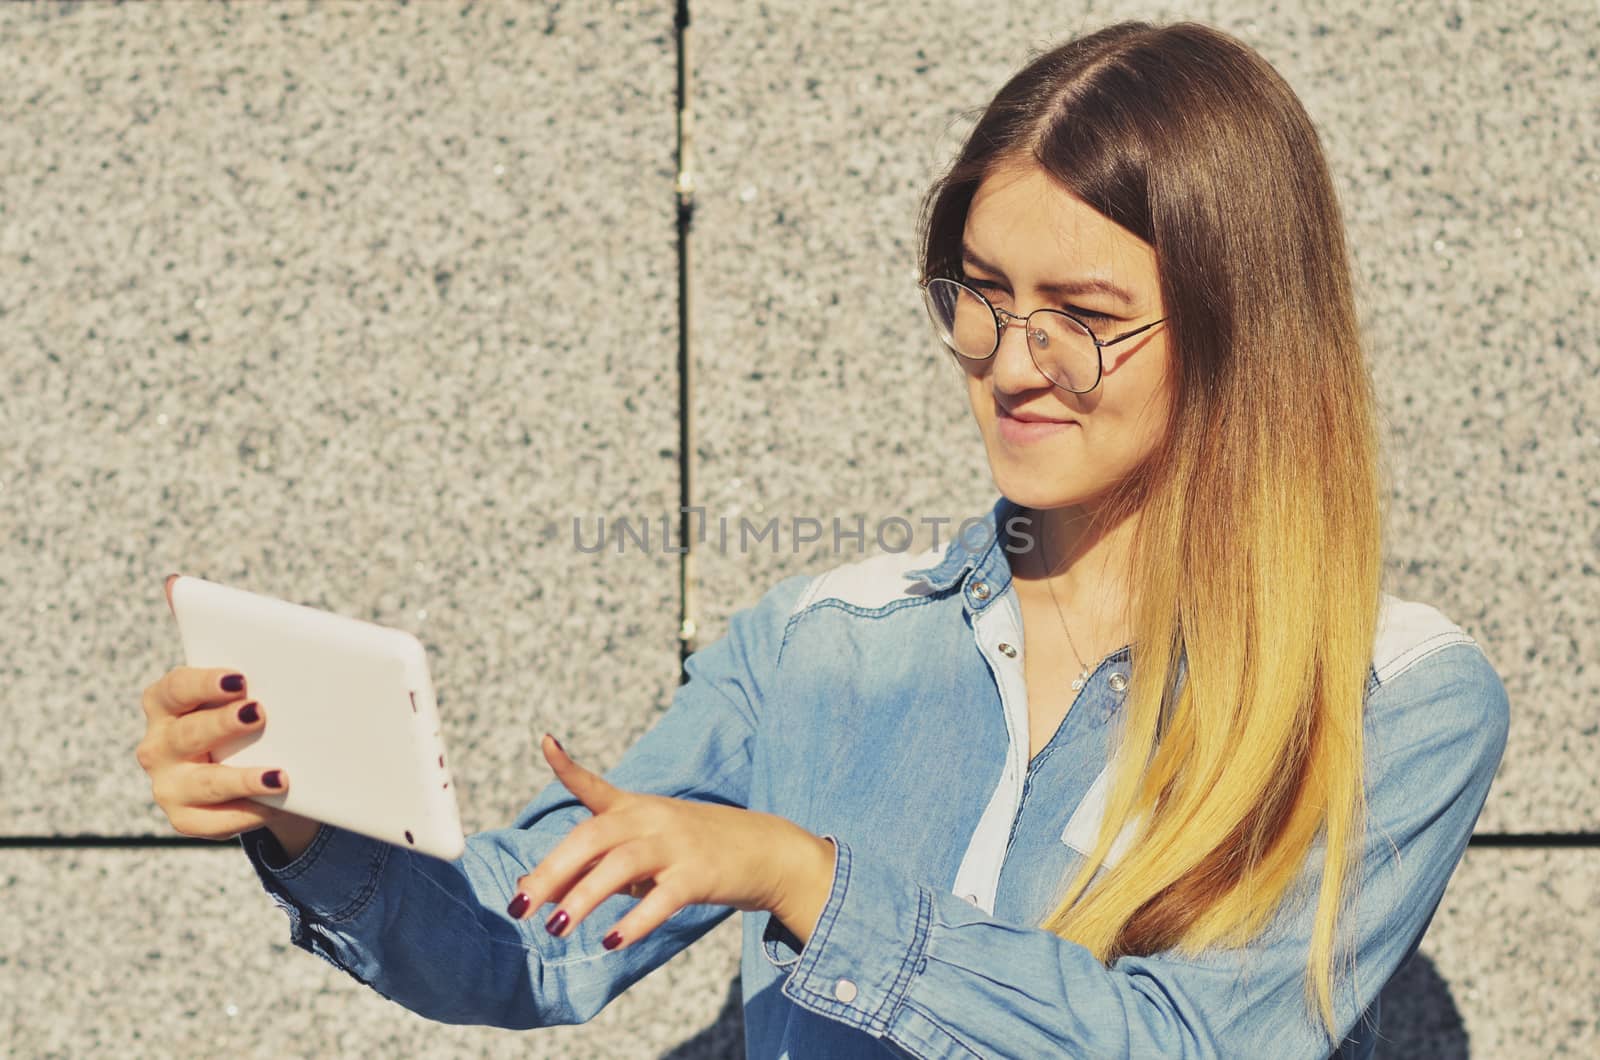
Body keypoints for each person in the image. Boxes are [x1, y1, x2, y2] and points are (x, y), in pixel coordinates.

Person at [135, 19, 1509, 1059]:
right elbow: (527, 949)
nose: (1012, 362)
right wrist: (311, 824)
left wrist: (803, 877)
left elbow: (1191, 1040)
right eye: (978, 295)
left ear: (1240, 324)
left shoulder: (1391, 695)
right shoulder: (822, 644)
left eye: (1082, 315)